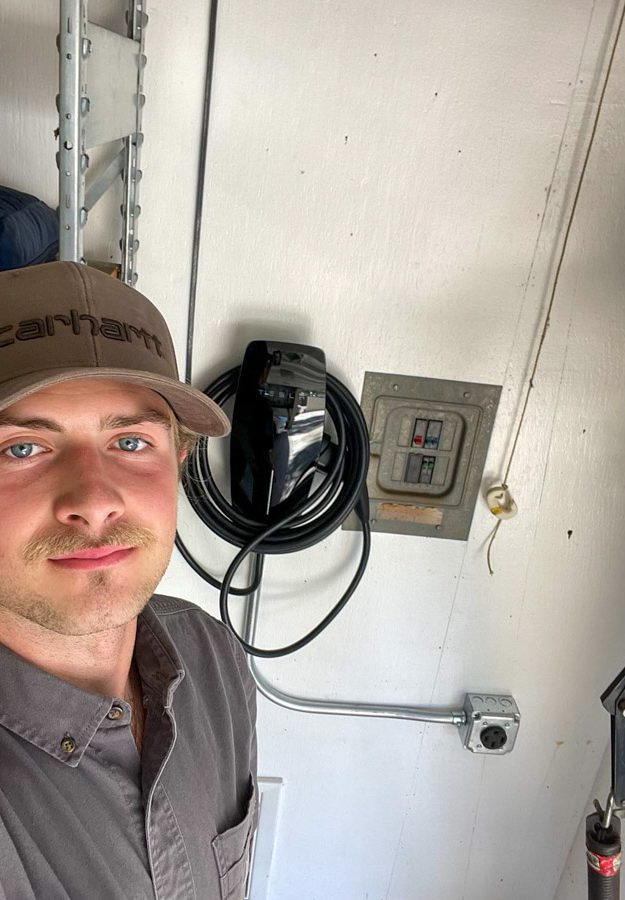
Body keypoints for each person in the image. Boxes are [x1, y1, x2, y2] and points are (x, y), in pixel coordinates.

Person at [0, 261, 257, 900]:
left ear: (179, 465)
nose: (93, 501)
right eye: (22, 448)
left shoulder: (212, 658)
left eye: (132, 442)